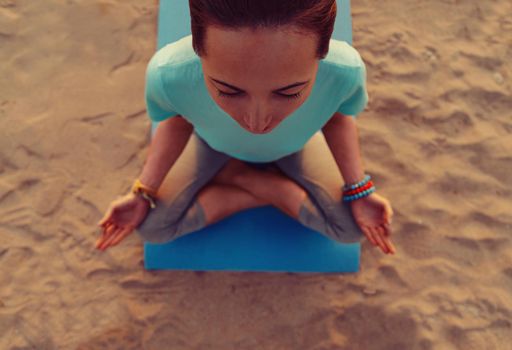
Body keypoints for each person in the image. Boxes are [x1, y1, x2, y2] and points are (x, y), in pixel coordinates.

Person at [96, 0, 396, 255]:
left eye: (289, 92)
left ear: (323, 51)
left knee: (352, 229)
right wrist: (141, 193)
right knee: (152, 227)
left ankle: (239, 175)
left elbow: (337, 118)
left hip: (297, 148)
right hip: (207, 145)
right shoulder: (170, 75)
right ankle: (258, 179)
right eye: (228, 91)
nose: (257, 122)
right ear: (198, 48)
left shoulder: (344, 72)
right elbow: (177, 121)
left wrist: (360, 190)